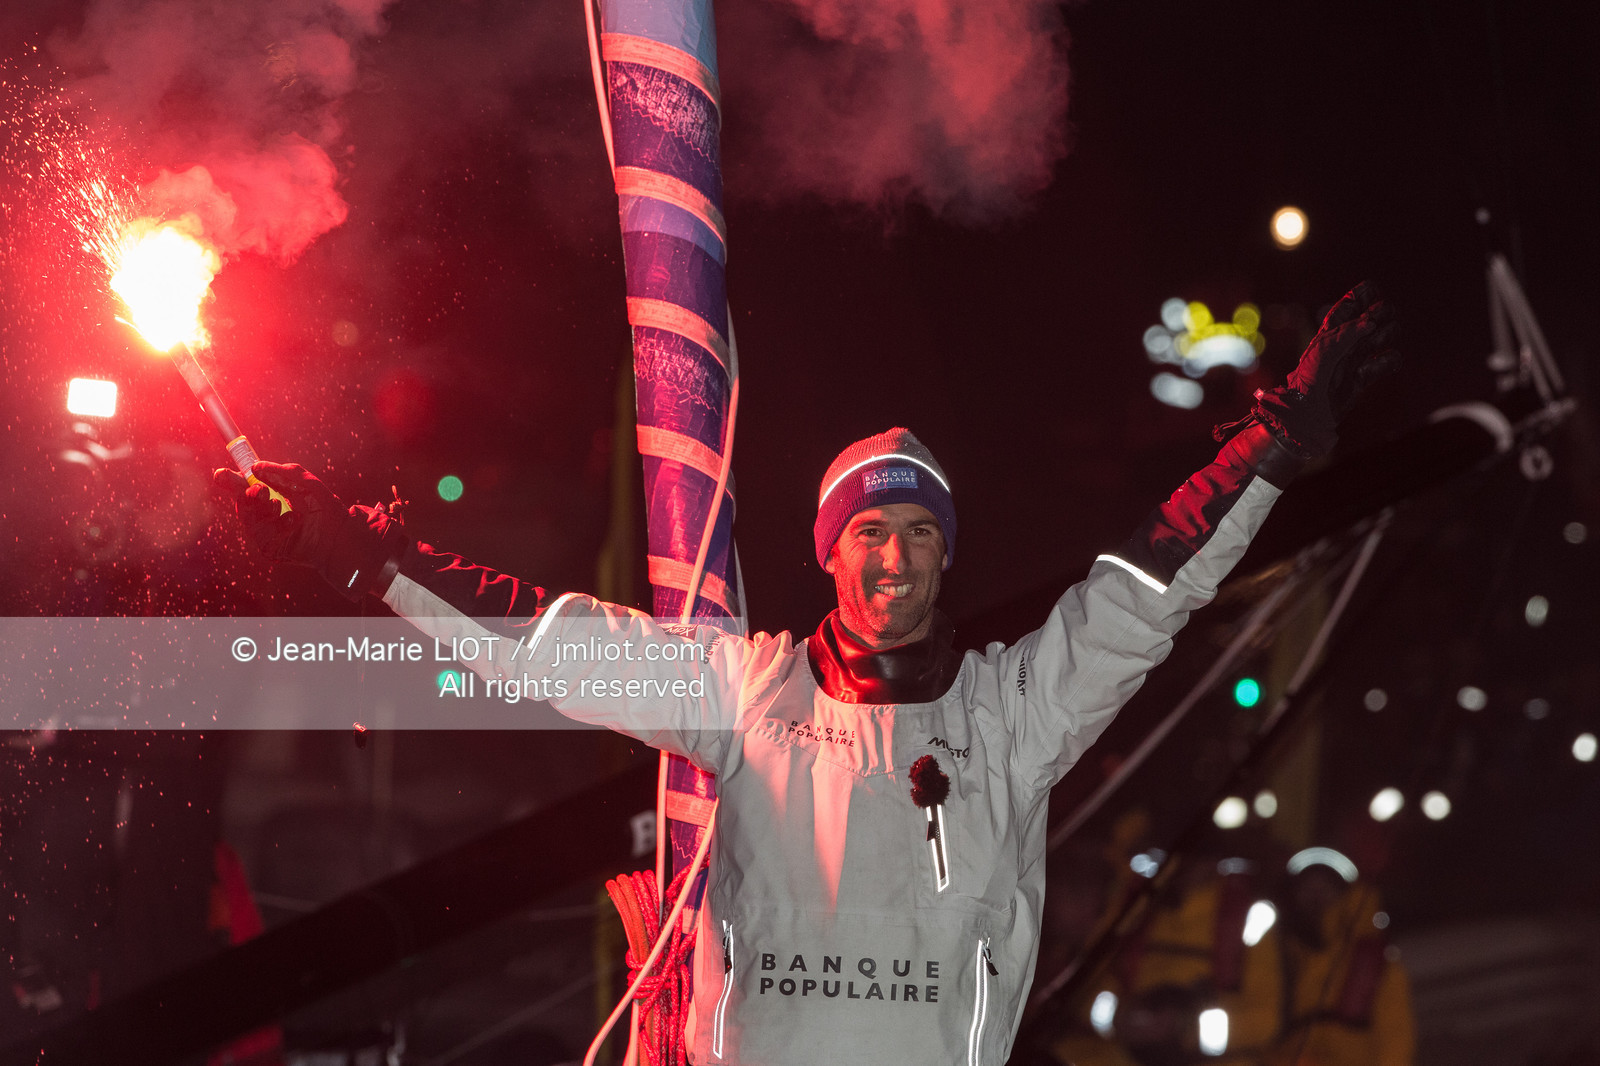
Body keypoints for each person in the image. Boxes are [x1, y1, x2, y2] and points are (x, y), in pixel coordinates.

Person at [216, 284, 1397, 1064]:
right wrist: (370, 556)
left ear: (947, 554)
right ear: (828, 554)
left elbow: (1150, 587)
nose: (894, 558)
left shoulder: (1013, 714)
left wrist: (1271, 447)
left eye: (920, 534)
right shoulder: (748, 691)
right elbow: (544, 643)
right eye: (868, 534)